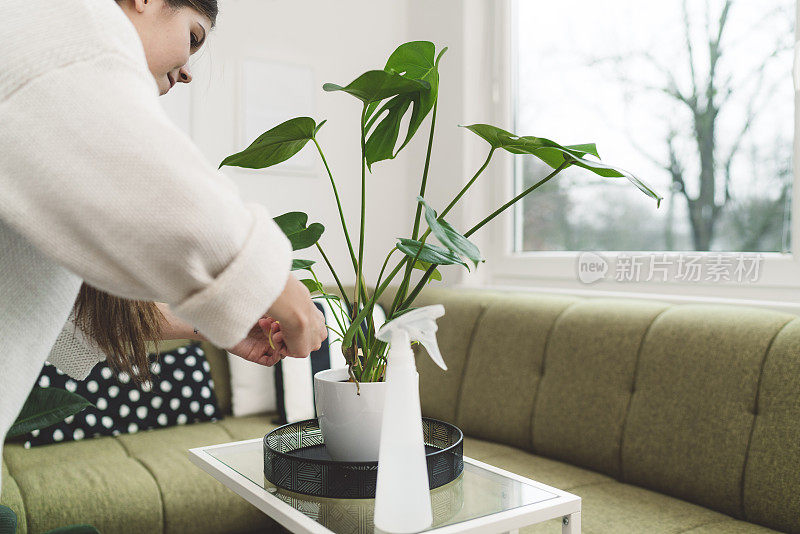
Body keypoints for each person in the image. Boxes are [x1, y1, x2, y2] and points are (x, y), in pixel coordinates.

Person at [0, 0, 327, 495]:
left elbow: (65, 312)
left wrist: (211, 325)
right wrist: (274, 287)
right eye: (193, 37)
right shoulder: (70, 27)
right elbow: (166, 197)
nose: (189, 72)